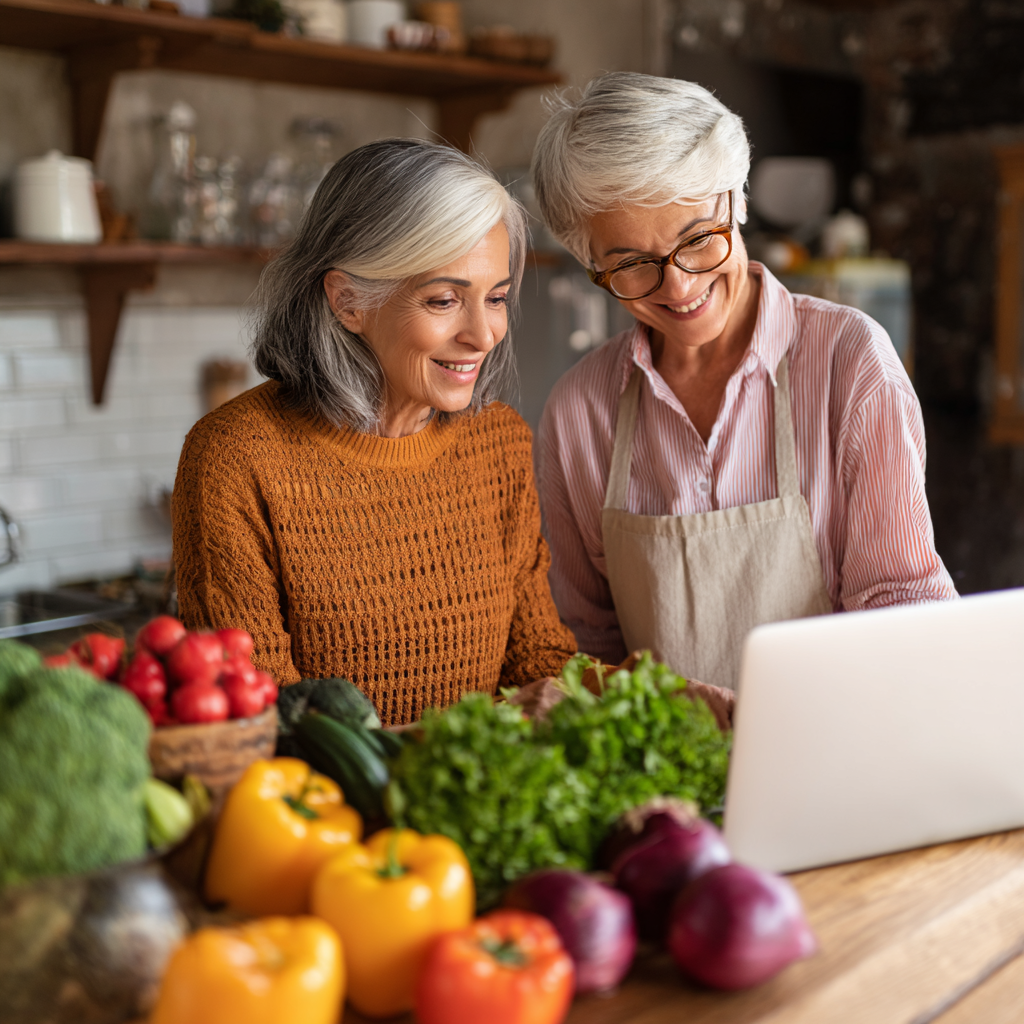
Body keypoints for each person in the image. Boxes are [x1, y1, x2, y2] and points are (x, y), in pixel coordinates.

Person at [532, 73, 956, 694]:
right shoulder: (580, 411)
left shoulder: (847, 360)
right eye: (632, 265)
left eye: (699, 239)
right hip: (669, 757)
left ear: (738, 201)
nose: (679, 286)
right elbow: (583, 641)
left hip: (837, 736)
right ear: (590, 262)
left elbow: (902, 607)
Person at [172, 139, 577, 726]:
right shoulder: (234, 459)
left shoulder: (499, 442)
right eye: (444, 300)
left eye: (496, 298)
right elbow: (265, 719)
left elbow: (536, 658)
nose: (484, 334)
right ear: (348, 302)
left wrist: (655, 698)